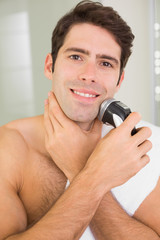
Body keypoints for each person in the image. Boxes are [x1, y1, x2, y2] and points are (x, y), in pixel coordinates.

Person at [0, 1, 159, 239]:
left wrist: (78, 166)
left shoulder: (145, 142)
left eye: (105, 63)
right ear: (49, 66)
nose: (89, 75)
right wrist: (94, 175)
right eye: (76, 56)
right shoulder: (9, 147)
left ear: (119, 80)